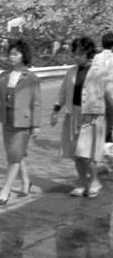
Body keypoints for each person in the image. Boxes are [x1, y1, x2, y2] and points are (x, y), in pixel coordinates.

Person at [0, 39, 41, 206]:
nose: (12, 57)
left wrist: (35, 125)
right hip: (7, 120)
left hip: (23, 122)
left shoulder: (31, 78)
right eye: (10, 53)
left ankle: (6, 190)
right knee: (15, 153)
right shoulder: (4, 76)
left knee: (14, 156)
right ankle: (26, 182)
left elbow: (36, 102)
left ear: (23, 56)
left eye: (16, 54)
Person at [50, 36, 107, 197]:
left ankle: (94, 181)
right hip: (72, 113)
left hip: (91, 115)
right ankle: (82, 182)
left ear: (88, 53)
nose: (76, 56)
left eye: (79, 53)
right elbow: (62, 92)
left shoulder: (99, 72)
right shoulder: (71, 71)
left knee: (86, 153)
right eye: (74, 53)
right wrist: (55, 110)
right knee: (76, 153)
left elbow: (108, 94)